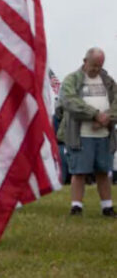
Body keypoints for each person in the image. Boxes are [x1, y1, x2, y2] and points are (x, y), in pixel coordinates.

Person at [59, 48, 117, 217]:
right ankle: (76, 207)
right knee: (79, 172)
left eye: (100, 66)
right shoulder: (72, 79)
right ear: (85, 61)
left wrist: (107, 118)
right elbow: (69, 101)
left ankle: (107, 207)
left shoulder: (108, 81)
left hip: (104, 136)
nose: (96, 69)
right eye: (93, 66)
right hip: (80, 136)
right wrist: (94, 114)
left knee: (103, 172)